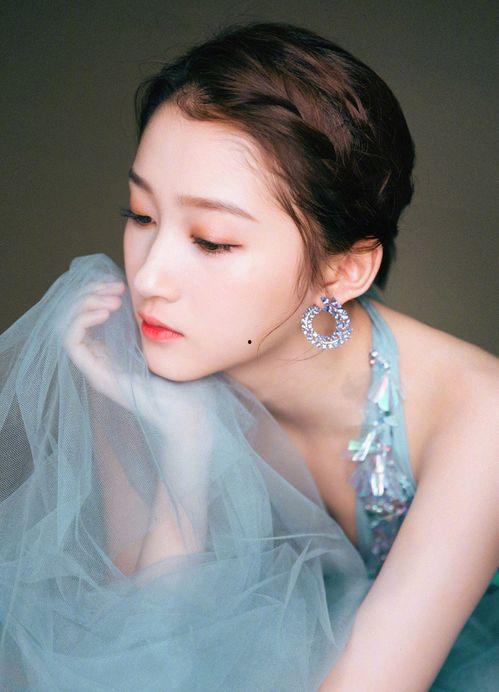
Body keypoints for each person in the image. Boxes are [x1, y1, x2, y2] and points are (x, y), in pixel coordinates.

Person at [0, 20, 497, 691]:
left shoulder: (481, 417)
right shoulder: (136, 363)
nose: (149, 277)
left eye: (211, 240)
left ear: (344, 270)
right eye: (141, 215)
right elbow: (140, 659)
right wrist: (186, 446)